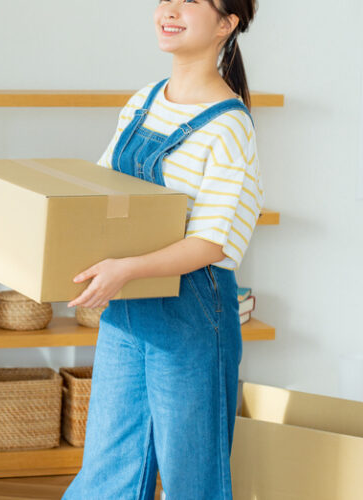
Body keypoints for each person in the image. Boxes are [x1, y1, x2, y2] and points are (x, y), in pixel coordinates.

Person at [61, 0, 261, 498]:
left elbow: (211, 242)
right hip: (128, 308)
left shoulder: (230, 127)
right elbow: (103, 193)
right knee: (109, 468)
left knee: (192, 477)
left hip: (192, 316)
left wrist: (125, 269)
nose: (169, 9)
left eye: (191, 1)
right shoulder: (144, 101)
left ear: (226, 23)